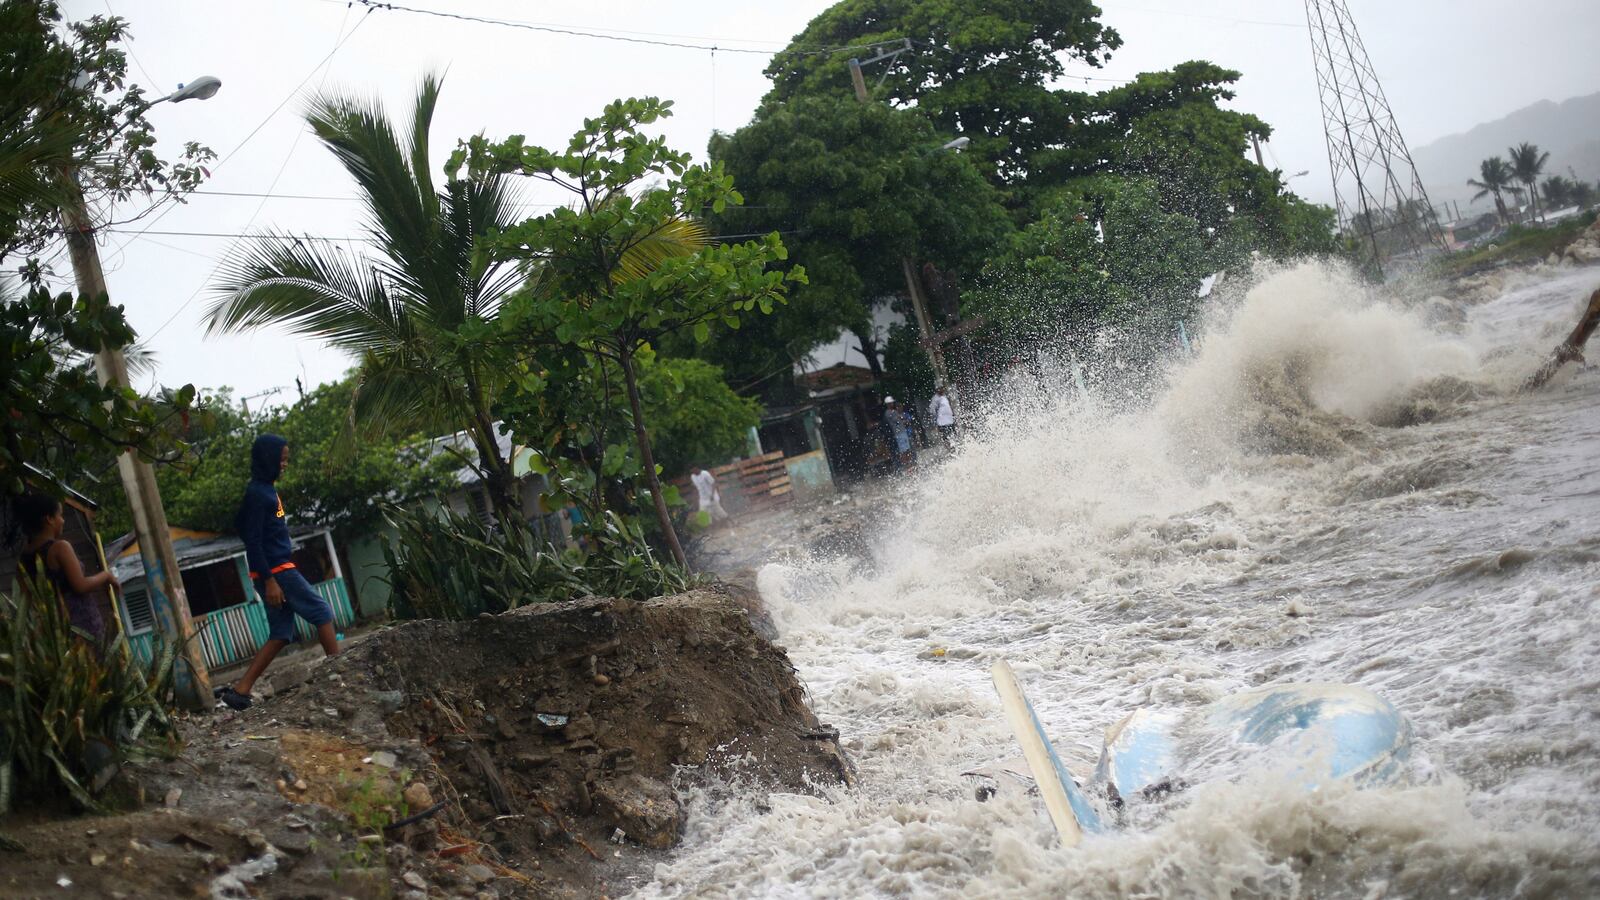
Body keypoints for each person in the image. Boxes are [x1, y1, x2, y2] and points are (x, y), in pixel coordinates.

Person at [215, 435, 339, 711]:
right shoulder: (258, 493)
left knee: (281, 633)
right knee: (322, 612)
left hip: (272, 570)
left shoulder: (266, 490)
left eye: (286, 458)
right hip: (277, 571)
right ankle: (340, 674)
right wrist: (270, 580)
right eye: (281, 459)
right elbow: (253, 540)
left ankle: (241, 690)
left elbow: (243, 526)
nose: (285, 464)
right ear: (268, 459)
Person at [12, 492, 115, 643]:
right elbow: (80, 585)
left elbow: (26, 600)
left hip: (54, 633)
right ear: (49, 519)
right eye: (60, 515)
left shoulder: (23, 559)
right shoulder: (60, 548)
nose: (63, 520)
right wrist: (106, 575)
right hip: (82, 626)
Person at [883, 397, 915, 471]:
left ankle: (910, 465)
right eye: (891, 403)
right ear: (888, 404)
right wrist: (901, 418)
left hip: (903, 431)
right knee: (903, 450)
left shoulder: (894, 411)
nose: (892, 404)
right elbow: (897, 420)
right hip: (898, 433)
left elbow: (902, 418)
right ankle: (906, 466)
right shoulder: (888, 413)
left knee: (907, 449)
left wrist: (902, 418)